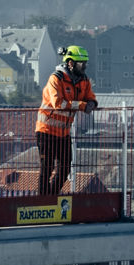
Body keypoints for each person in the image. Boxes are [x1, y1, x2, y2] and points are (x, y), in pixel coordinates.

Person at [37, 46, 97, 194]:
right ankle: (43, 199)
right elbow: (58, 104)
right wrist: (83, 105)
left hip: (63, 133)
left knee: (65, 168)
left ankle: (52, 195)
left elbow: (91, 98)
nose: (84, 65)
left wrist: (92, 103)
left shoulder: (84, 81)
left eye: (85, 62)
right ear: (70, 63)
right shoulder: (56, 78)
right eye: (80, 62)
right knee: (47, 167)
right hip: (46, 131)